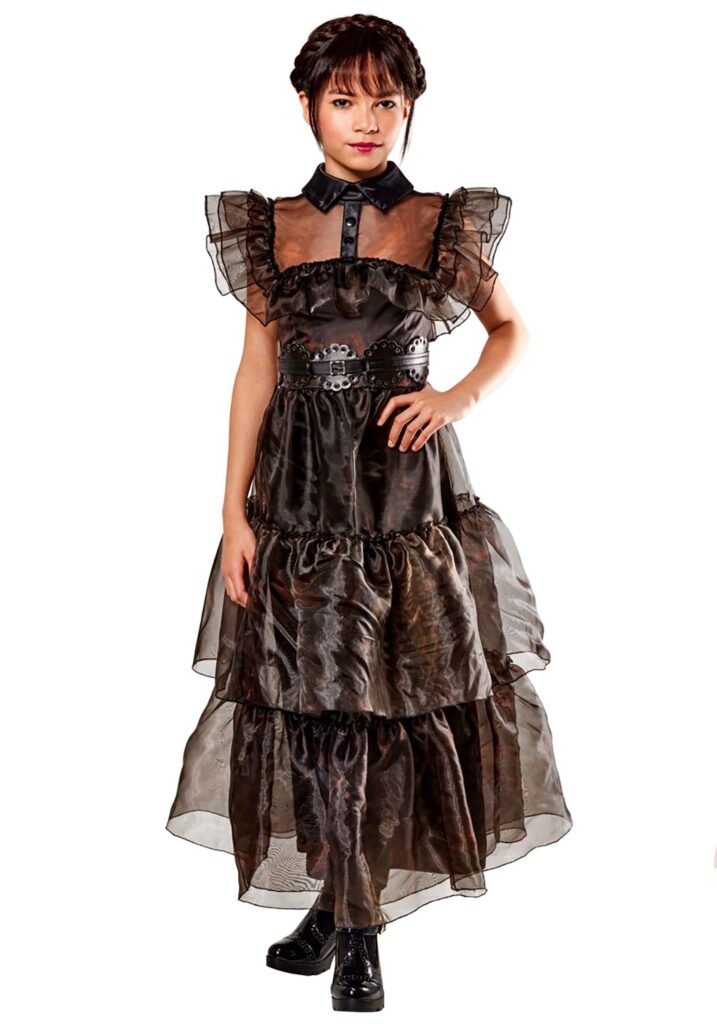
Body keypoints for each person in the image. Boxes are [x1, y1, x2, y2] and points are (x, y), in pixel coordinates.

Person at [166, 12, 573, 1013]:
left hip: (401, 500)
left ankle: (355, 925)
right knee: (313, 708)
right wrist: (233, 514)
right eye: (343, 99)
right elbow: (255, 371)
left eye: (385, 101)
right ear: (307, 106)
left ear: (410, 108)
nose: (365, 119)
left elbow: (513, 330)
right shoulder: (271, 227)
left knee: (384, 704)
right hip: (300, 498)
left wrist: (453, 398)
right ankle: (340, 902)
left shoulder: (439, 222)